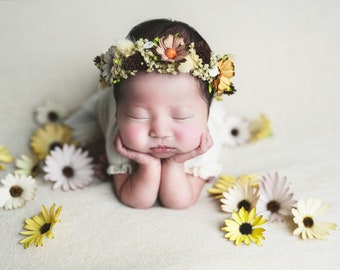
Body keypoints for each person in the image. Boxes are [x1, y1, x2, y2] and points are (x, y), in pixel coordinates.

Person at [65, 18, 236, 209]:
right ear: (118, 115)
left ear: (206, 116)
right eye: (139, 116)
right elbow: (136, 200)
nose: (160, 132)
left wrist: (175, 164)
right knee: (82, 132)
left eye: (180, 117)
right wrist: (148, 165)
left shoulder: (204, 144)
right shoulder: (119, 137)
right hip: (109, 101)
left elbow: (179, 201)